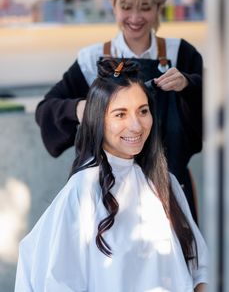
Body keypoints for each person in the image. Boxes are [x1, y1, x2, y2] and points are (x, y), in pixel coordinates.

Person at [15, 58, 208, 292]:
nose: (136, 126)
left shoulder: (166, 181)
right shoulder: (83, 190)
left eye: (142, 111)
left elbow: (199, 267)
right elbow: (58, 282)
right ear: (99, 120)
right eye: (120, 114)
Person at [35, 0, 203, 222]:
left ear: (159, 6)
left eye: (145, 8)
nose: (135, 18)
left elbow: (212, 115)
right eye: (126, 7)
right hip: (106, 198)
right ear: (112, 4)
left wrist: (189, 86)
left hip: (168, 193)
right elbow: (46, 110)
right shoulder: (92, 60)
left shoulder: (180, 54)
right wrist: (78, 108)